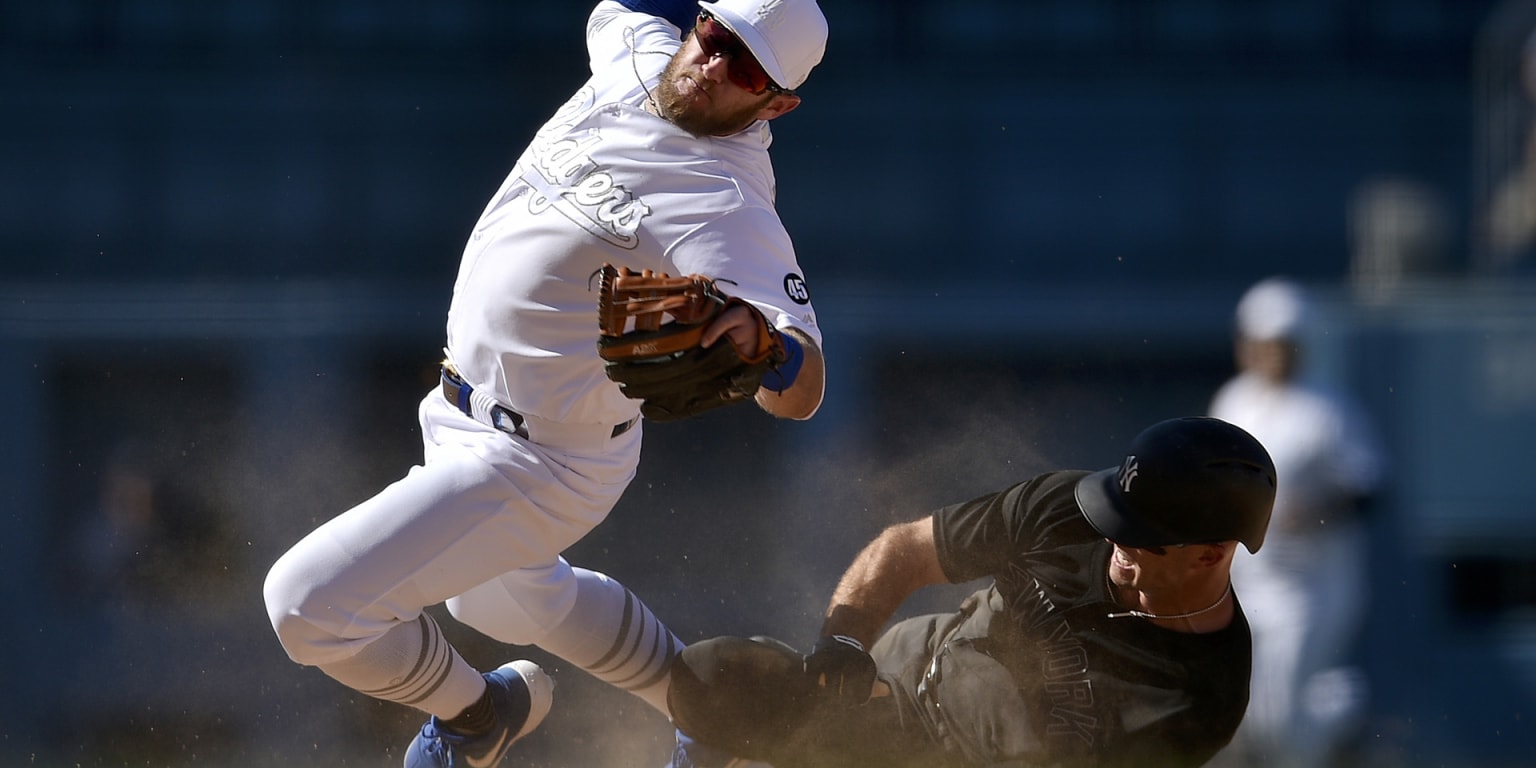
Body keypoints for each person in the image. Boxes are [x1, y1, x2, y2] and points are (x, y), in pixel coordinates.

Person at [261, 0, 829, 765]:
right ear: (697, 23)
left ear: (778, 102)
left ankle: (477, 714)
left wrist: (769, 347)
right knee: (499, 596)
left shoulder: (724, 200)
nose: (716, 66)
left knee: (307, 607)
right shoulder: (635, 50)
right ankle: (707, 705)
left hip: (544, 461)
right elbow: (623, 8)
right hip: (459, 412)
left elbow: (804, 385)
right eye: (718, 37)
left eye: (748, 68)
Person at [665, 416, 1277, 768]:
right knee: (713, 674)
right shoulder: (1069, 509)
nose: (1111, 535)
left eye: (1137, 534)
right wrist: (844, 642)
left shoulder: (1199, 698)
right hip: (899, 674)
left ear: (1209, 553)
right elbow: (906, 550)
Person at [1207, 278, 1386, 768]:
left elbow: (1371, 490)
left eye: (1283, 345)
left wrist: (1314, 512)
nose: (1273, 355)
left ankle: (1342, 717)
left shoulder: (1328, 409)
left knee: (1281, 719)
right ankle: (1341, 709)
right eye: (1263, 344)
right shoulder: (1233, 402)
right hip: (1247, 583)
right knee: (1251, 714)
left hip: (1312, 591)